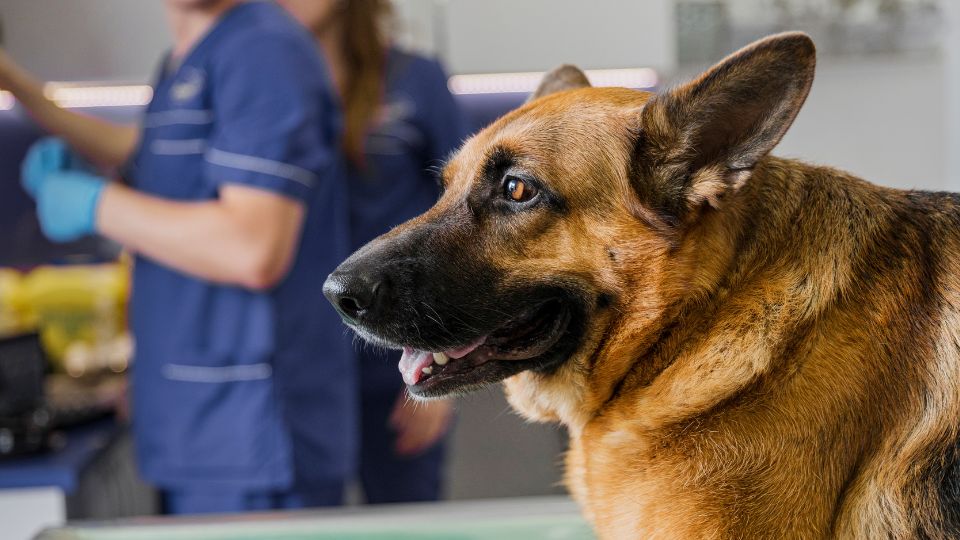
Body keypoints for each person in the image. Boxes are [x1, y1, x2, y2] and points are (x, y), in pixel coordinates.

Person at [0, 0, 355, 514]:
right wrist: (23, 90)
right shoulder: (187, 58)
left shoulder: (264, 51)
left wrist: (94, 204)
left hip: (248, 430)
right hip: (197, 425)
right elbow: (152, 151)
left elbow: (253, 247)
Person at [279, 0, 467, 503]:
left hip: (400, 355)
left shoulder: (414, 78)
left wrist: (443, 367)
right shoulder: (259, 85)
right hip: (296, 367)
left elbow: (468, 223)